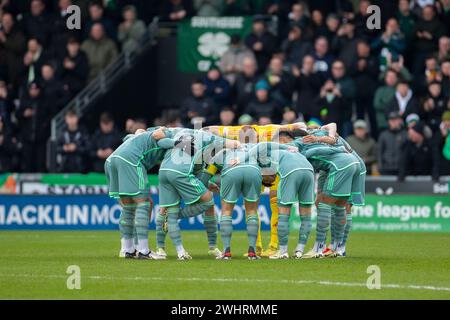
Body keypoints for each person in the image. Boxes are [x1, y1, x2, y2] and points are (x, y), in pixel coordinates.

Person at [157, 128, 239, 260]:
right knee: (208, 201)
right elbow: (234, 144)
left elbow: (197, 171)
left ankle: (161, 249)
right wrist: (243, 147)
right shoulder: (208, 139)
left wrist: (208, 183)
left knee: (165, 210)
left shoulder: (180, 132)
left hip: (163, 171)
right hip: (180, 173)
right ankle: (212, 247)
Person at [105, 127, 173, 259]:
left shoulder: (134, 139)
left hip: (111, 160)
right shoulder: (159, 137)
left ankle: (127, 249)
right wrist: (180, 142)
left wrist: (139, 132)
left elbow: (131, 135)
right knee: (144, 203)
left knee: (129, 207)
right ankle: (143, 250)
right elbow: (157, 135)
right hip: (130, 161)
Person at [249, 140, 315, 260]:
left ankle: (283, 252)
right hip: (309, 171)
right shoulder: (285, 152)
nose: (272, 179)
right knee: (306, 215)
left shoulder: (255, 154)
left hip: (291, 171)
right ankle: (300, 250)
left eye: (269, 180)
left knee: (283, 214)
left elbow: (263, 144)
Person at [201, 143, 263, 260]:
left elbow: (206, 176)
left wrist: (209, 185)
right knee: (252, 211)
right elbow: (268, 167)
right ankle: (252, 252)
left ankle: (226, 252)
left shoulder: (222, 152)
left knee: (227, 211)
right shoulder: (253, 148)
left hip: (231, 171)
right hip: (253, 171)